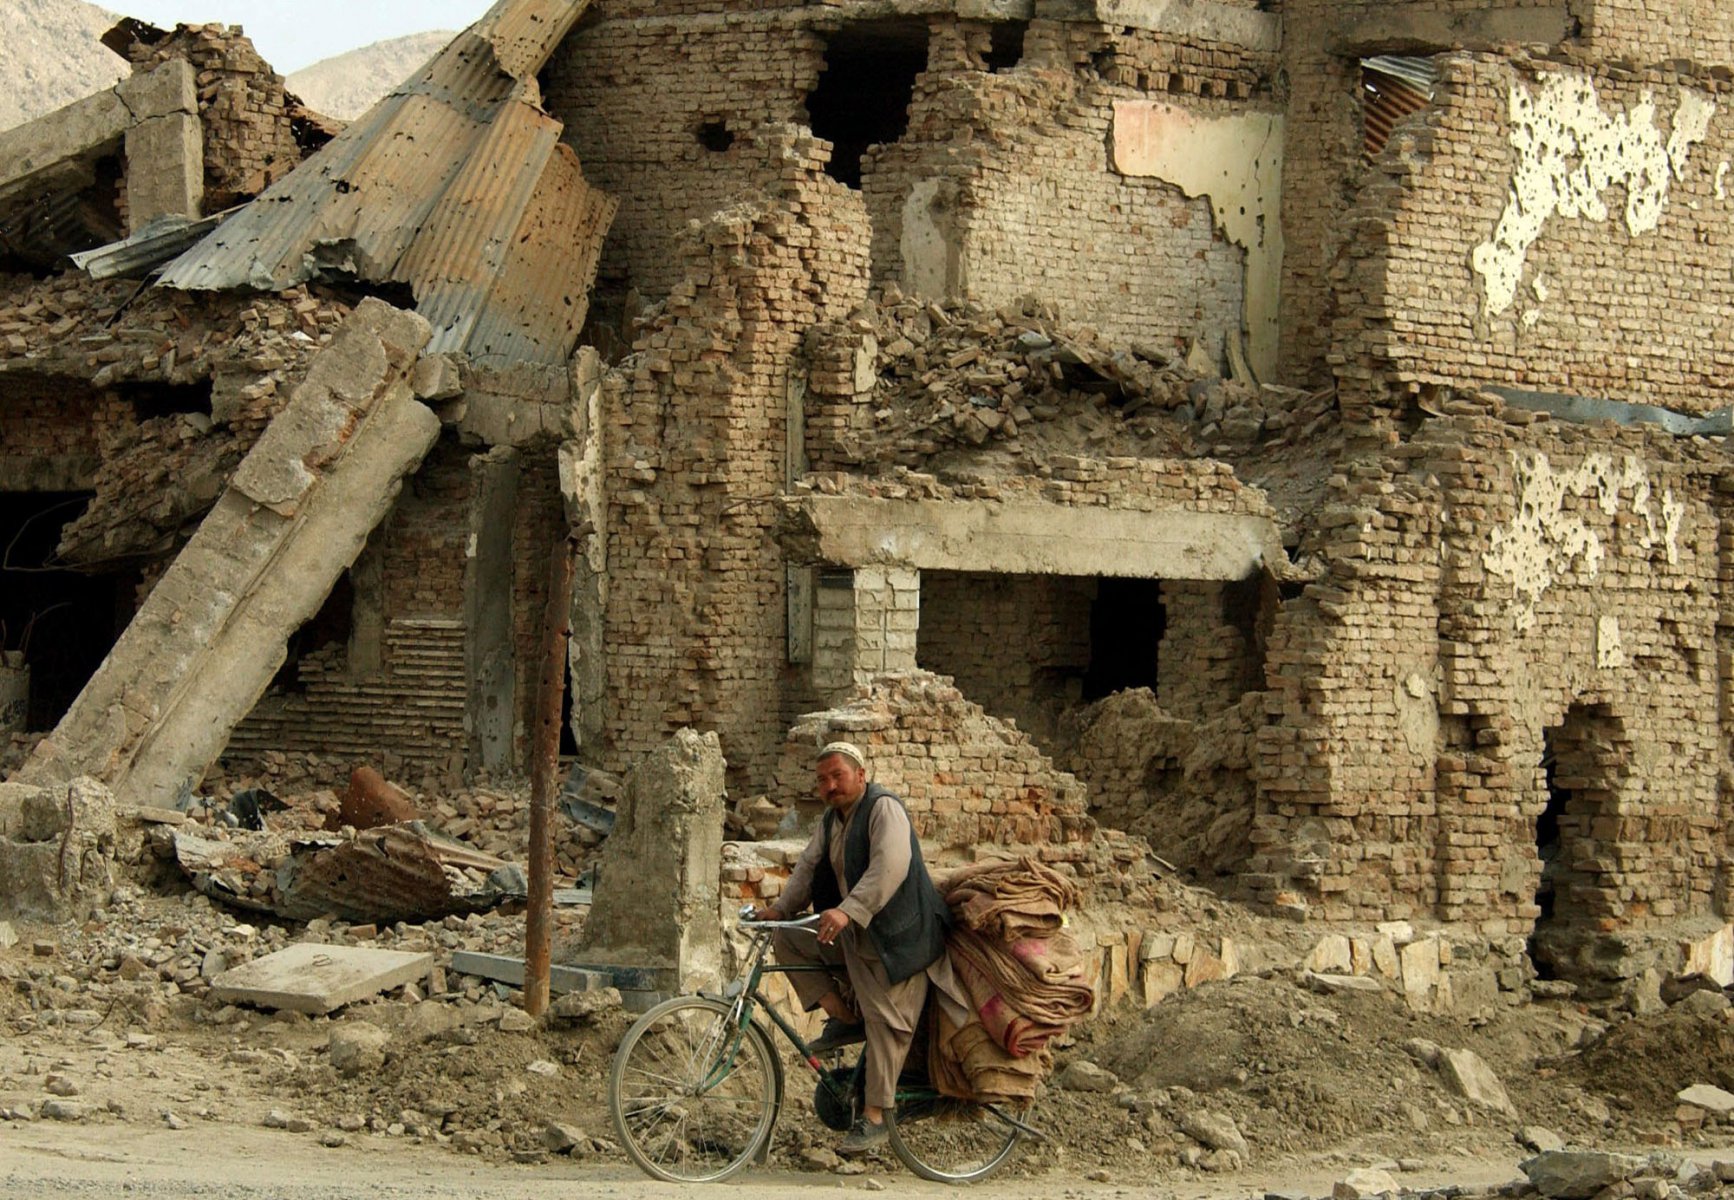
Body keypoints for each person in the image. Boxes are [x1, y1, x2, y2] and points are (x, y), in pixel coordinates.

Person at [752, 741, 952, 1156]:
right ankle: (844, 1016)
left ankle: (876, 1117)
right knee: (788, 936)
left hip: (899, 939)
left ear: (861, 775)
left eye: (837, 776)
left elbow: (890, 865)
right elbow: (808, 867)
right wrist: (780, 910)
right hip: (857, 934)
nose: (829, 786)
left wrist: (848, 910)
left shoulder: (883, 808)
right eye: (822, 780)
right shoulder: (831, 820)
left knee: (885, 1021)